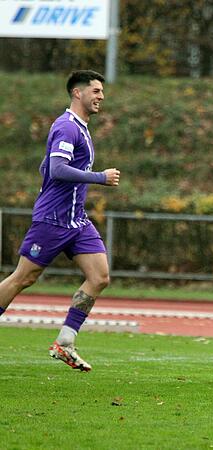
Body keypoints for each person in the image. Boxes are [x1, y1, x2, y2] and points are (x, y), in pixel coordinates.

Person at [0, 70, 120, 372]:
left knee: (100, 277)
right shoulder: (67, 127)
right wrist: (99, 178)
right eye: (95, 91)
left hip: (76, 220)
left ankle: (65, 342)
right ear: (77, 93)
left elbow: (46, 165)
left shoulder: (80, 128)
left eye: (101, 91)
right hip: (53, 220)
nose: (101, 96)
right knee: (23, 278)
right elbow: (56, 168)